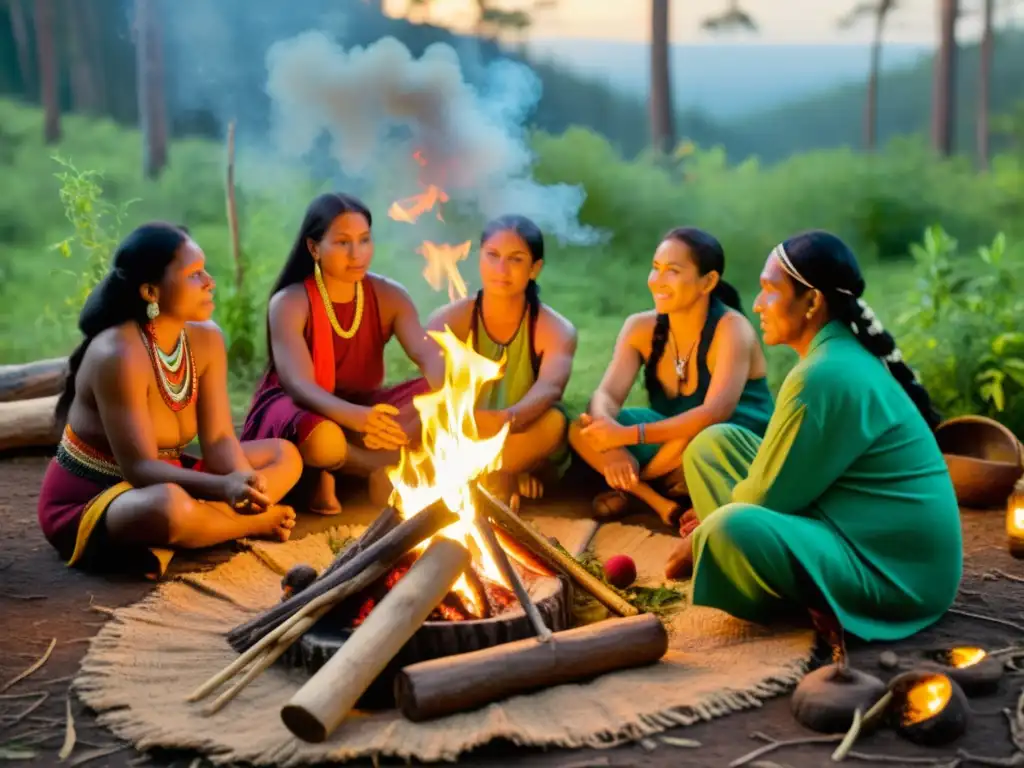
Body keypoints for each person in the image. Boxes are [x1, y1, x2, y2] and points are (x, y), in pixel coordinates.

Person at [666, 230, 961, 646]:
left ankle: (804, 598)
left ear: (813, 302)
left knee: (729, 526)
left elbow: (765, 498)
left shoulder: (822, 375)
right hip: (846, 519)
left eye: (770, 290)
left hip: (893, 573)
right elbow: (784, 475)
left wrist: (703, 535)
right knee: (713, 446)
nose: (756, 304)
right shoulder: (831, 356)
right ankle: (769, 569)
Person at [37, 223, 303, 580]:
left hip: (172, 473)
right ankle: (242, 526)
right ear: (151, 291)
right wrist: (225, 490)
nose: (210, 281)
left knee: (284, 455)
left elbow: (220, 439)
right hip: (98, 495)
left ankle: (201, 527)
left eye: (205, 270)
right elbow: (140, 469)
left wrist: (243, 483)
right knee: (170, 509)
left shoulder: (206, 340)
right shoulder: (118, 353)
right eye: (194, 275)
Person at [241, 192, 445, 514]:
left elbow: (426, 352)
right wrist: (357, 418)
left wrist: (448, 386)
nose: (357, 254)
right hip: (299, 409)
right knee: (325, 439)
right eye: (342, 243)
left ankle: (337, 472)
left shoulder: (390, 296)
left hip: (362, 407)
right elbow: (300, 386)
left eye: (364, 240)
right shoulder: (291, 302)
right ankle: (375, 469)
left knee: (442, 400)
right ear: (313, 248)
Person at [570, 227, 773, 527]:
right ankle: (663, 504)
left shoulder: (732, 329)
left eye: (673, 271)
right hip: (668, 441)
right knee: (579, 427)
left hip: (724, 445)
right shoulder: (640, 327)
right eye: (656, 268)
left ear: (709, 281)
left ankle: (636, 486)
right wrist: (610, 446)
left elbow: (714, 414)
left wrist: (625, 437)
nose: (658, 281)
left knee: (695, 440)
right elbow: (606, 396)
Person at [426, 214, 577, 509]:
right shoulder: (448, 319)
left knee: (555, 422)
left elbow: (550, 388)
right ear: (479, 258)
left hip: (520, 430)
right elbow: (437, 393)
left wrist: (507, 419)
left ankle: (495, 474)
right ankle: (501, 476)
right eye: (492, 256)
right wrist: (470, 421)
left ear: (535, 269)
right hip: (465, 431)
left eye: (516, 259)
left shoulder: (555, 328)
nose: (501, 269)